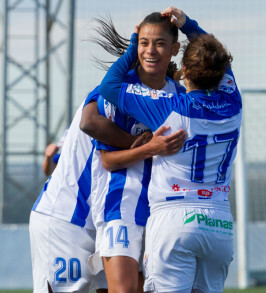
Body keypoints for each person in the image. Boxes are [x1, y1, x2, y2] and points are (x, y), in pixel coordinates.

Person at [98, 6, 241, 293]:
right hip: (219, 223)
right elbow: (219, 60)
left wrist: (133, 44)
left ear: (184, 70)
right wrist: (189, 25)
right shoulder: (233, 102)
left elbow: (109, 86)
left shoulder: (168, 107)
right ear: (221, 73)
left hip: (175, 218)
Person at [30, 88, 184, 292]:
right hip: (68, 216)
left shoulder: (166, 108)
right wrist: (144, 146)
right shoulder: (107, 96)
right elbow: (59, 167)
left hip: (109, 217)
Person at [83, 12, 187, 293]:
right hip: (122, 207)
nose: (150, 51)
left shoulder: (181, 96)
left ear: (175, 48)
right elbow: (107, 161)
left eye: (160, 43)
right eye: (144, 42)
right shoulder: (120, 93)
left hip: (164, 212)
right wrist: (149, 149)